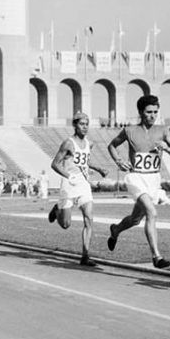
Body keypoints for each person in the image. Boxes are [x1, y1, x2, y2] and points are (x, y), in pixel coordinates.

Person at [107, 95, 170, 269]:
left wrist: (167, 149)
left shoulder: (163, 130)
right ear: (141, 112)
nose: (152, 115)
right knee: (152, 213)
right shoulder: (129, 130)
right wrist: (119, 160)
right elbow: (112, 145)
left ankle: (116, 230)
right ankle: (157, 257)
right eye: (149, 112)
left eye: (155, 112)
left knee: (135, 219)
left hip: (153, 179)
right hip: (136, 177)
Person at [48, 112, 108, 266]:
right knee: (66, 224)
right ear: (75, 125)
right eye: (82, 124)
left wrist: (99, 169)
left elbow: (84, 162)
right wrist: (68, 175)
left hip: (83, 185)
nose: (85, 127)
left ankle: (85, 255)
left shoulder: (90, 143)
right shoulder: (68, 143)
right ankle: (57, 210)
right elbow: (54, 164)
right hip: (69, 184)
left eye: (87, 124)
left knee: (89, 218)